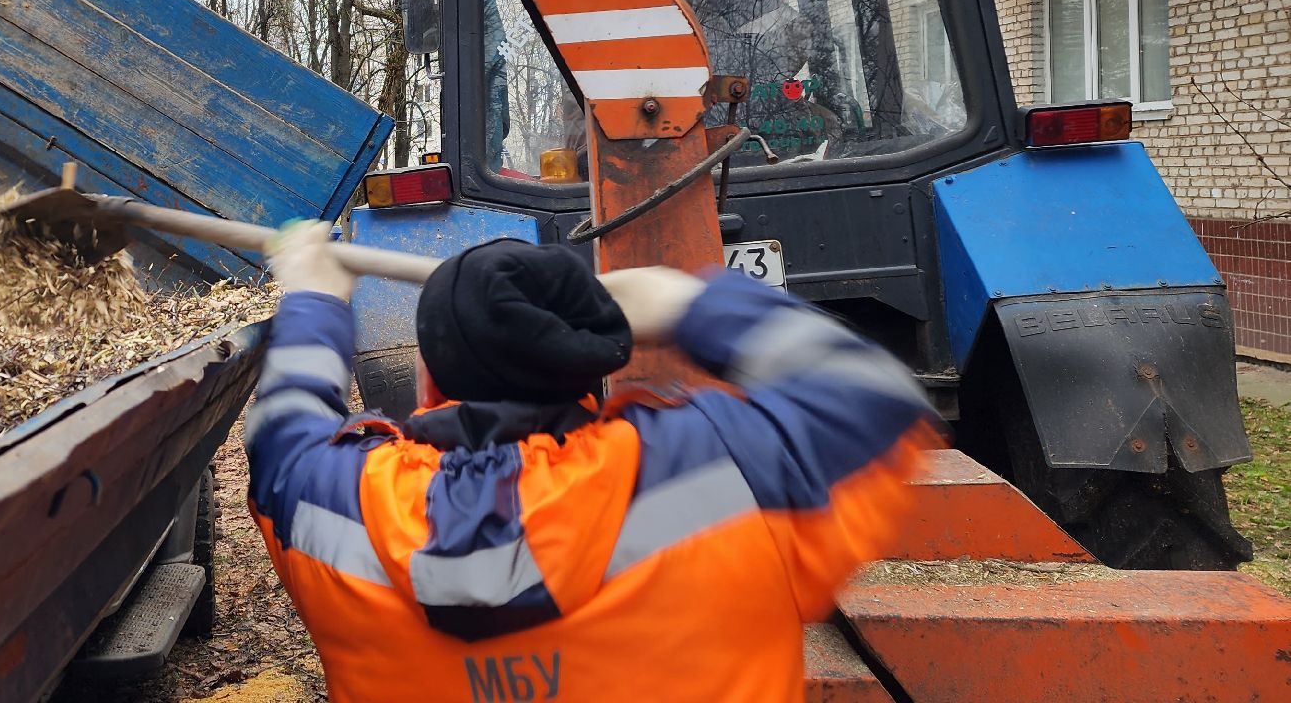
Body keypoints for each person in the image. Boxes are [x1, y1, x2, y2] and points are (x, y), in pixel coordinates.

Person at [244, 225, 938, 703]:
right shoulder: (727, 466)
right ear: (590, 361)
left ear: (428, 382)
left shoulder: (333, 504)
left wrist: (312, 295)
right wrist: (689, 301)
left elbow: (282, 424)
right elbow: (874, 396)